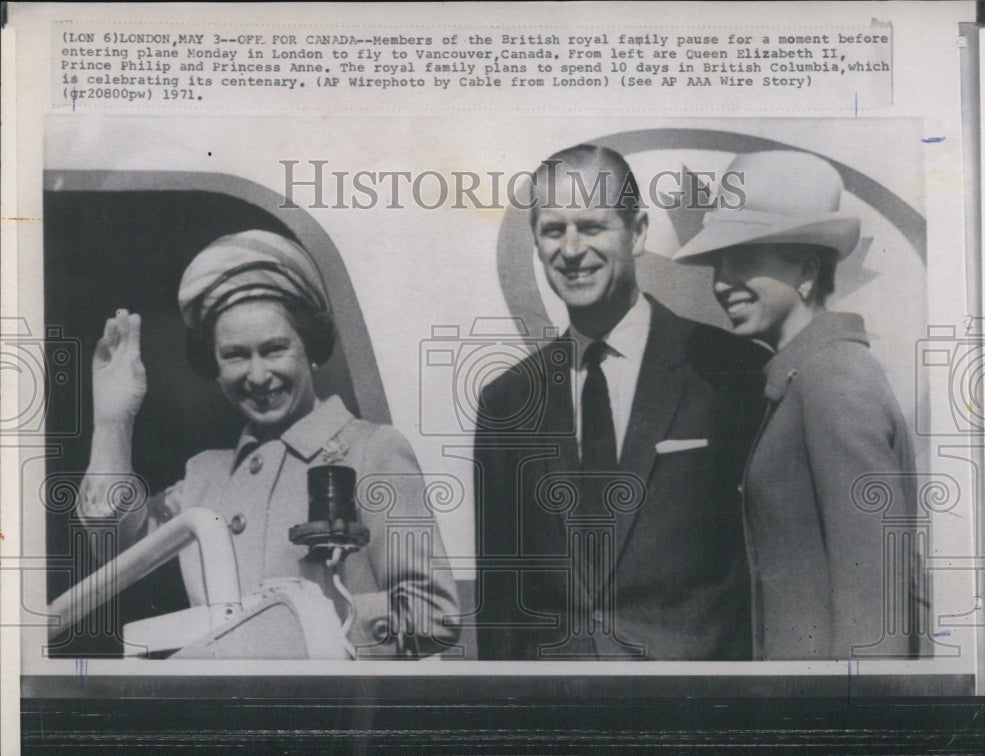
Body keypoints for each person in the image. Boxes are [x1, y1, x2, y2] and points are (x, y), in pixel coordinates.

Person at [76, 229, 460, 657]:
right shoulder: (203, 477)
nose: (257, 376)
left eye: (274, 349)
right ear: (214, 366)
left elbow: (433, 615)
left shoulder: (373, 451)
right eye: (236, 355)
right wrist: (113, 421)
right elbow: (113, 550)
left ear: (310, 347)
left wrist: (294, 628)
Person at [474, 145, 766, 660]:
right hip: (559, 720)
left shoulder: (731, 372)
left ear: (638, 232)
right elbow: (502, 604)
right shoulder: (507, 402)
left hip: (696, 720)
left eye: (591, 226)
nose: (570, 249)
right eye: (552, 230)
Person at [673, 150, 926, 659]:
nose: (722, 283)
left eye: (742, 260)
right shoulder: (798, 378)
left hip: (835, 719)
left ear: (807, 269)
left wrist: (852, 734)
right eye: (718, 266)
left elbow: (875, 610)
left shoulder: (833, 377)